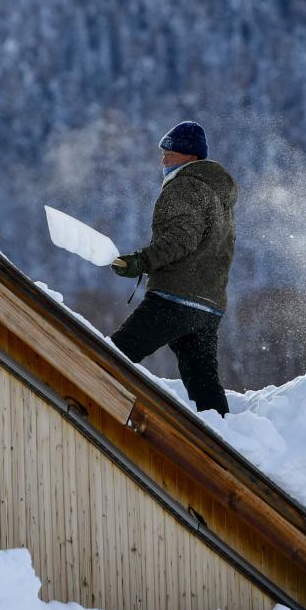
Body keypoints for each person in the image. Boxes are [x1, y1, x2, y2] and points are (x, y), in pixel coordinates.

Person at [110, 121, 237, 416]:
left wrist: (140, 262)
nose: (164, 158)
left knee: (112, 355)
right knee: (204, 386)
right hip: (209, 306)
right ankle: (224, 443)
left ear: (191, 157)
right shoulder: (220, 197)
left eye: (171, 152)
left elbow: (182, 238)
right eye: (163, 152)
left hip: (175, 297)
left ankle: (83, 410)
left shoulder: (185, 185)